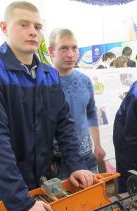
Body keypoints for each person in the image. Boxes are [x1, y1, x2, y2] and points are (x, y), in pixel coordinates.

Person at [0, 1, 93, 211]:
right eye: (23, 24)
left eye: (37, 26)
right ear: (5, 27)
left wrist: (76, 164)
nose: (33, 31)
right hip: (3, 192)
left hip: (41, 183)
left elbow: (64, 125)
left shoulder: (49, 75)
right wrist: (21, 204)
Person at [48, 28, 106, 178]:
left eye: (74, 48)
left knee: (94, 199)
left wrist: (97, 144)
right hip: (58, 161)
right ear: (51, 51)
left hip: (87, 156)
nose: (70, 54)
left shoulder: (85, 81)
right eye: (64, 48)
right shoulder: (44, 83)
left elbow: (91, 113)